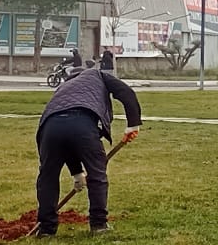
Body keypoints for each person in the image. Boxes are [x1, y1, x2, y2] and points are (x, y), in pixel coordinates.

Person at [34, 66, 142, 236]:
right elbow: (126, 92)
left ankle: (46, 228)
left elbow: (66, 135)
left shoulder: (64, 87)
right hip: (82, 122)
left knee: (47, 177)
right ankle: (99, 225)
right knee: (97, 174)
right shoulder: (98, 74)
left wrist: (76, 174)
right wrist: (133, 124)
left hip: (50, 127)